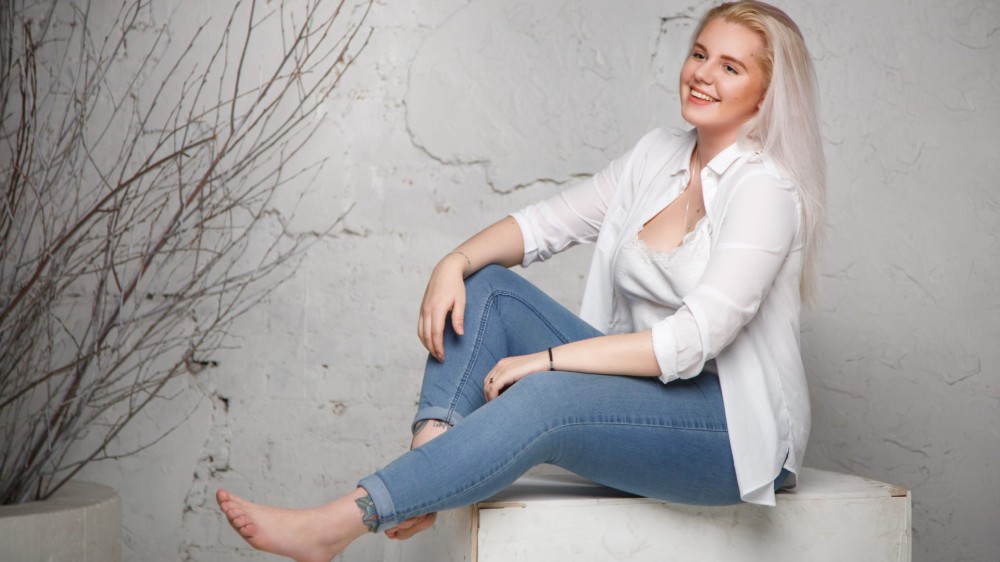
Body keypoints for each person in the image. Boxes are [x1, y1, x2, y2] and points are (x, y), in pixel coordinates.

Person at [215, 1, 825, 560]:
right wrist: (451, 262)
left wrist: (552, 360)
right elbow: (543, 225)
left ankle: (344, 520)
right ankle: (429, 469)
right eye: (698, 54)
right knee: (485, 287)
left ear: (766, 94)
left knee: (545, 392)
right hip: (652, 397)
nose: (702, 74)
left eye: (730, 67)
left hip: (731, 434)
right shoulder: (658, 155)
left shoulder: (764, 190)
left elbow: (691, 341)